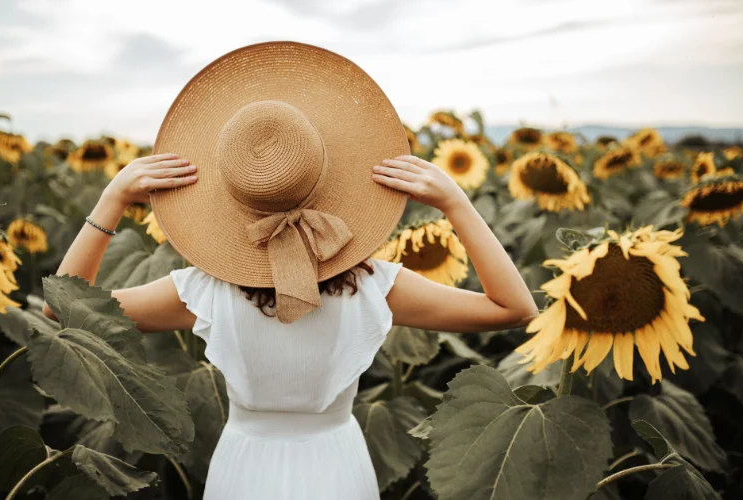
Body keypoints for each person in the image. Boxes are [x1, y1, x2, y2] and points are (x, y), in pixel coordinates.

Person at [42, 41, 537, 500]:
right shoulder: (375, 288)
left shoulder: (201, 292)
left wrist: (111, 200)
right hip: (338, 468)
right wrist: (457, 204)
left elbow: (63, 311)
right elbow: (513, 308)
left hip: (243, 470)